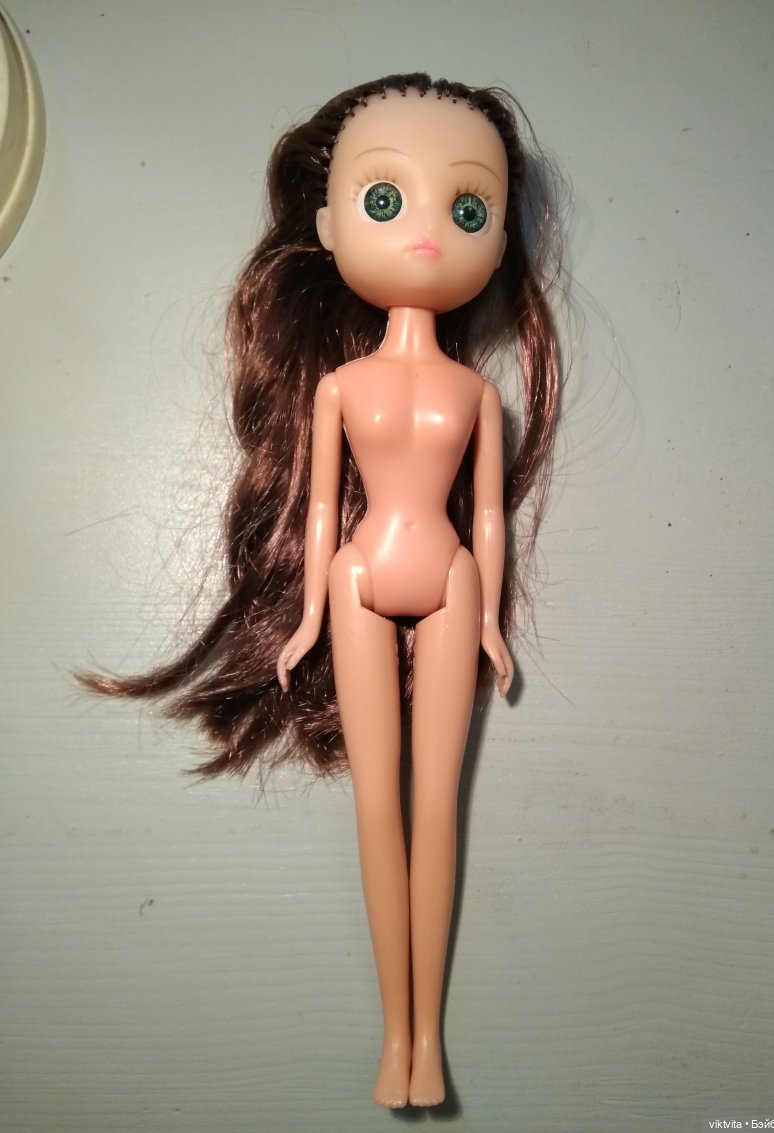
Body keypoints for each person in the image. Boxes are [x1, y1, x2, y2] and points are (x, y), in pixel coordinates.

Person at [83, 73, 562, 1108]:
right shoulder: (339, 388)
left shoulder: (476, 394)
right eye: (386, 200)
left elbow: (485, 517)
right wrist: (304, 615)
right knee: (377, 807)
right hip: (355, 578)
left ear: (497, 243)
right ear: (329, 225)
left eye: (467, 207)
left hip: (450, 581)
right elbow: (318, 510)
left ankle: (426, 1038)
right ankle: (396, 1037)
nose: (427, 229)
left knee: (436, 808)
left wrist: (488, 619)